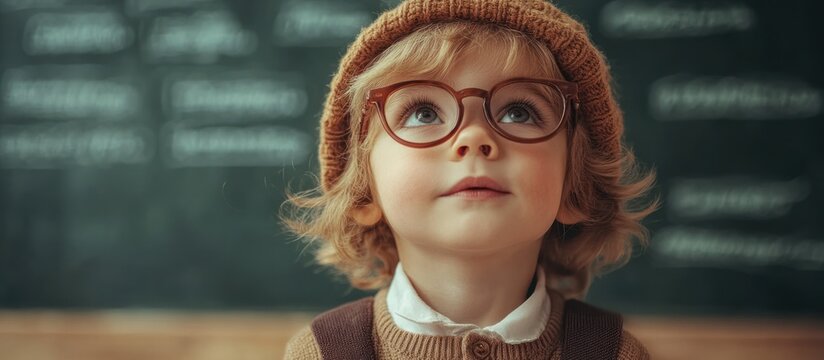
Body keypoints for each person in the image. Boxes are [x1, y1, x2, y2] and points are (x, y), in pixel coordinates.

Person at [280, 0, 660, 359]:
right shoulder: (321, 353)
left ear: (574, 189)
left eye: (518, 112)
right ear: (364, 193)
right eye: (424, 113)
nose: (474, 137)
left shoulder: (615, 354)